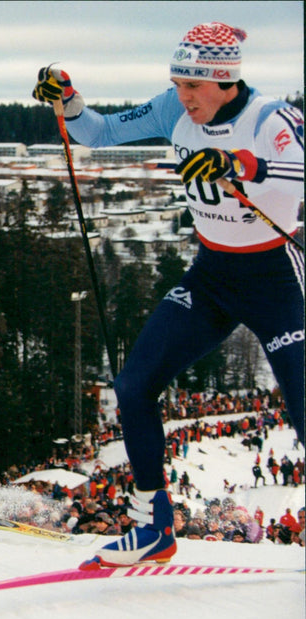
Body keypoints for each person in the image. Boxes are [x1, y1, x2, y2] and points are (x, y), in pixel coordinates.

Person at [32, 21, 304, 569]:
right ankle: (153, 525)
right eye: (177, 84)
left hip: (278, 281)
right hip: (212, 278)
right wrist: (70, 101)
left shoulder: (270, 117)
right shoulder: (171, 108)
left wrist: (239, 165)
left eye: (194, 86)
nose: (183, 97)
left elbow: (297, 171)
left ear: (225, 81)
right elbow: (100, 133)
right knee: (133, 385)